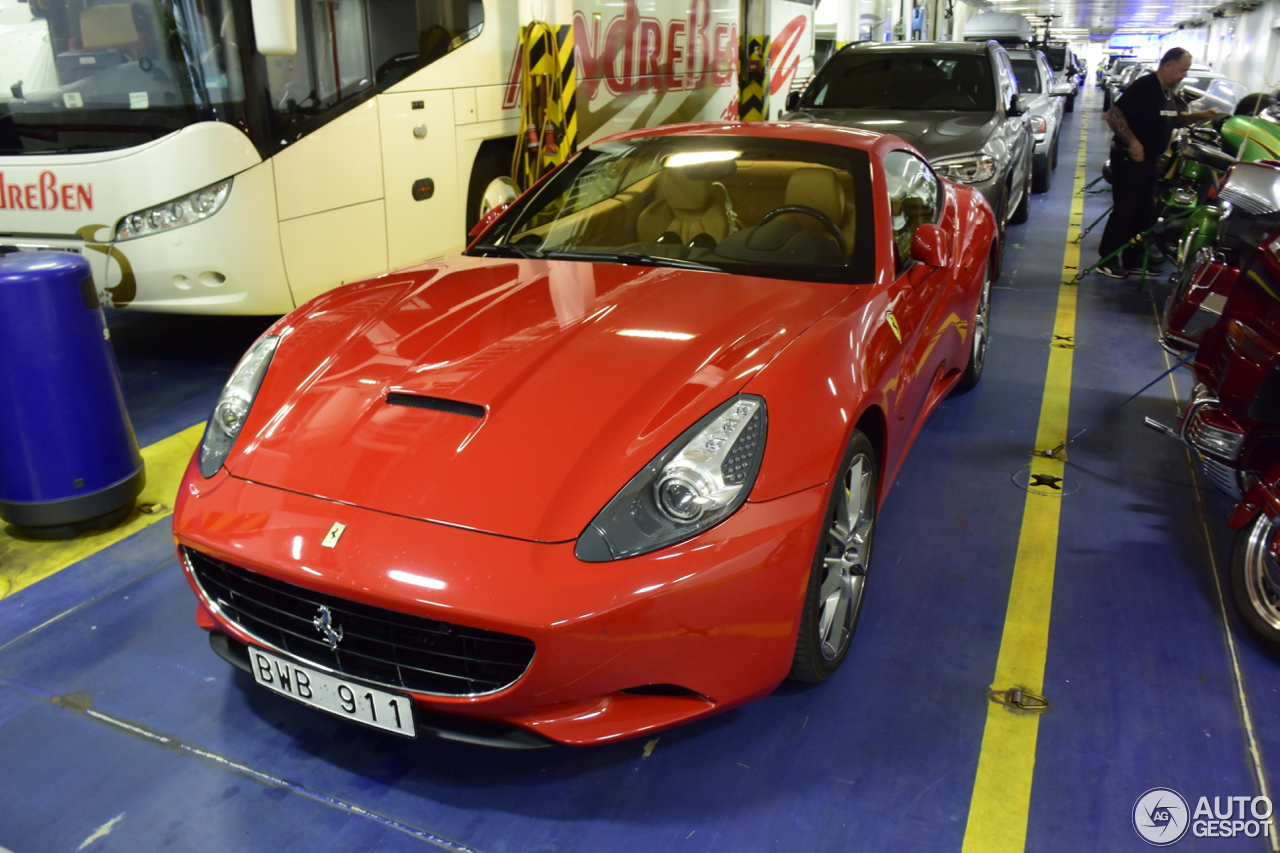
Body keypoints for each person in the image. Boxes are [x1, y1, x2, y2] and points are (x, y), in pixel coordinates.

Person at [1095, 48, 1220, 278]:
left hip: (1151, 162)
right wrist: (1133, 144)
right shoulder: (1146, 86)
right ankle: (1108, 259)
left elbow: (1172, 119)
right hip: (1129, 159)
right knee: (1125, 211)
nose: (1184, 74)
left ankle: (1133, 259)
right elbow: (1113, 114)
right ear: (1168, 66)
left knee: (1144, 213)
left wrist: (1199, 117)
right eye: (1182, 70)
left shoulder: (1168, 92)